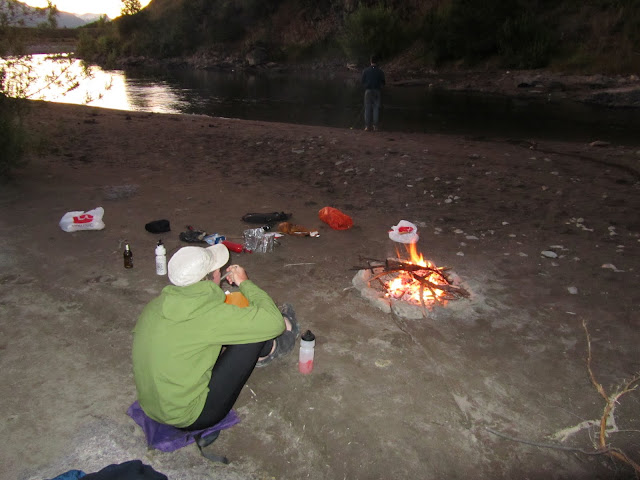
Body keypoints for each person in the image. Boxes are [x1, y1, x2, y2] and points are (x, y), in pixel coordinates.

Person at [132, 244, 299, 436]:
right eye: (217, 269)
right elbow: (273, 322)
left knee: (231, 326)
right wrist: (245, 283)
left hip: (151, 405)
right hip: (190, 416)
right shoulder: (209, 314)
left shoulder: (155, 305)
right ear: (211, 277)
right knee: (253, 330)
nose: (220, 270)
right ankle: (277, 346)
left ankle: (264, 350)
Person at [361, 54, 386, 131]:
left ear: (370, 61)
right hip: (377, 90)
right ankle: (375, 126)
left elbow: (362, 81)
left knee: (367, 108)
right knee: (376, 108)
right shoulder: (380, 71)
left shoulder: (365, 70)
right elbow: (383, 82)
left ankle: (367, 126)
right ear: (377, 62)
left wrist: (366, 87)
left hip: (368, 90)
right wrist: (380, 87)